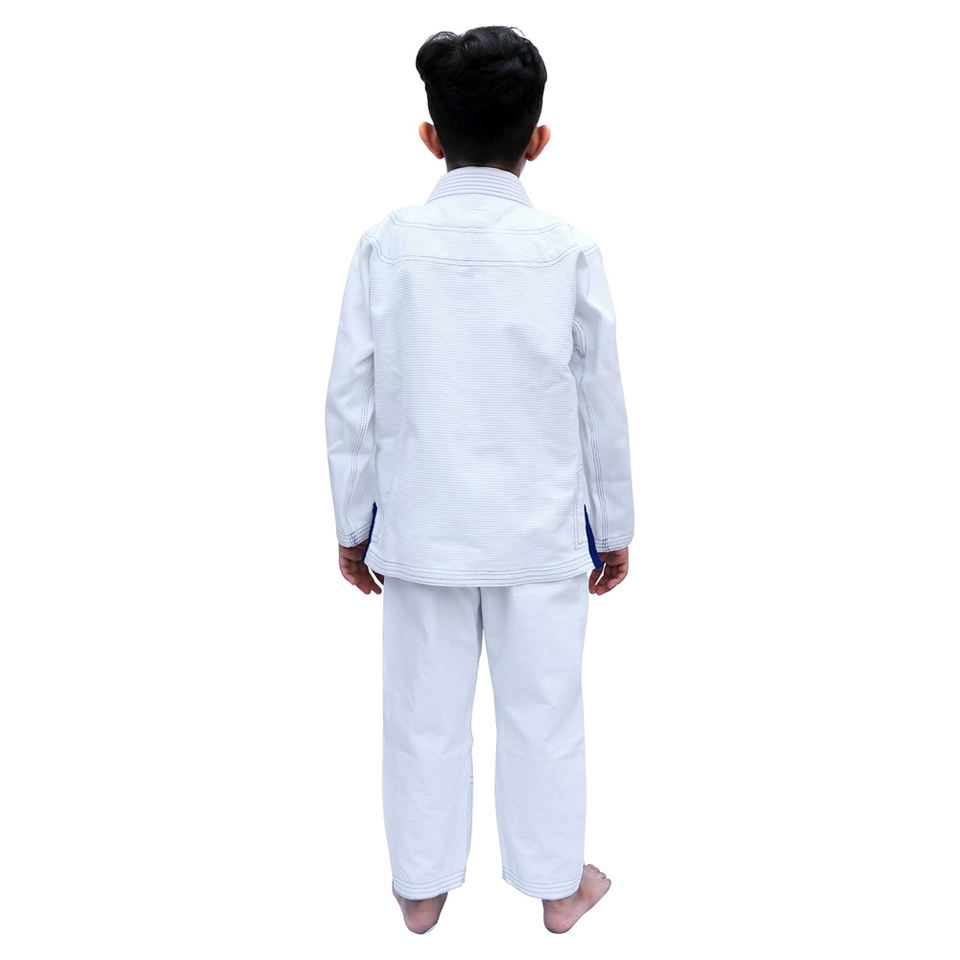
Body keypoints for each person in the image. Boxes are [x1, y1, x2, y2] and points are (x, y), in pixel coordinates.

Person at [325, 25, 634, 935]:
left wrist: (353, 524)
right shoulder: (568, 249)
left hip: (422, 528)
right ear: (539, 139)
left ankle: (421, 888)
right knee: (546, 714)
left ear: (430, 137)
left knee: (421, 715)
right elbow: (601, 403)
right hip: (540, 532)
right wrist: (614, 524)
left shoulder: (386, 245)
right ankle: (557, 888)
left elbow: (349, 398)